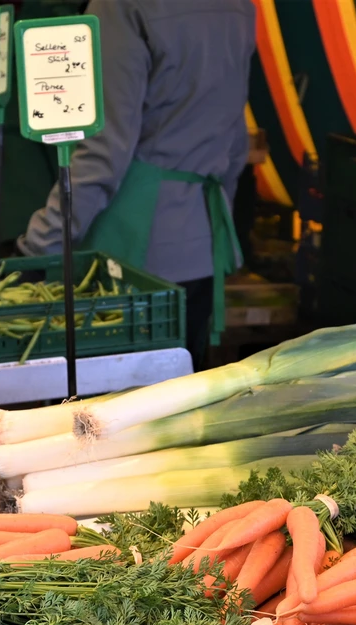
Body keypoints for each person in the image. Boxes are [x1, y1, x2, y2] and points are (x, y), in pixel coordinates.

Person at [17, 0, 256, 368]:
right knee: (183, 400)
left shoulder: (120, 7)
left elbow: (103, 152)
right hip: (204, 243)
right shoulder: (239, 6)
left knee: (117, 411)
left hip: (133, 257)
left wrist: (40, 247)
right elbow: (236, 142)